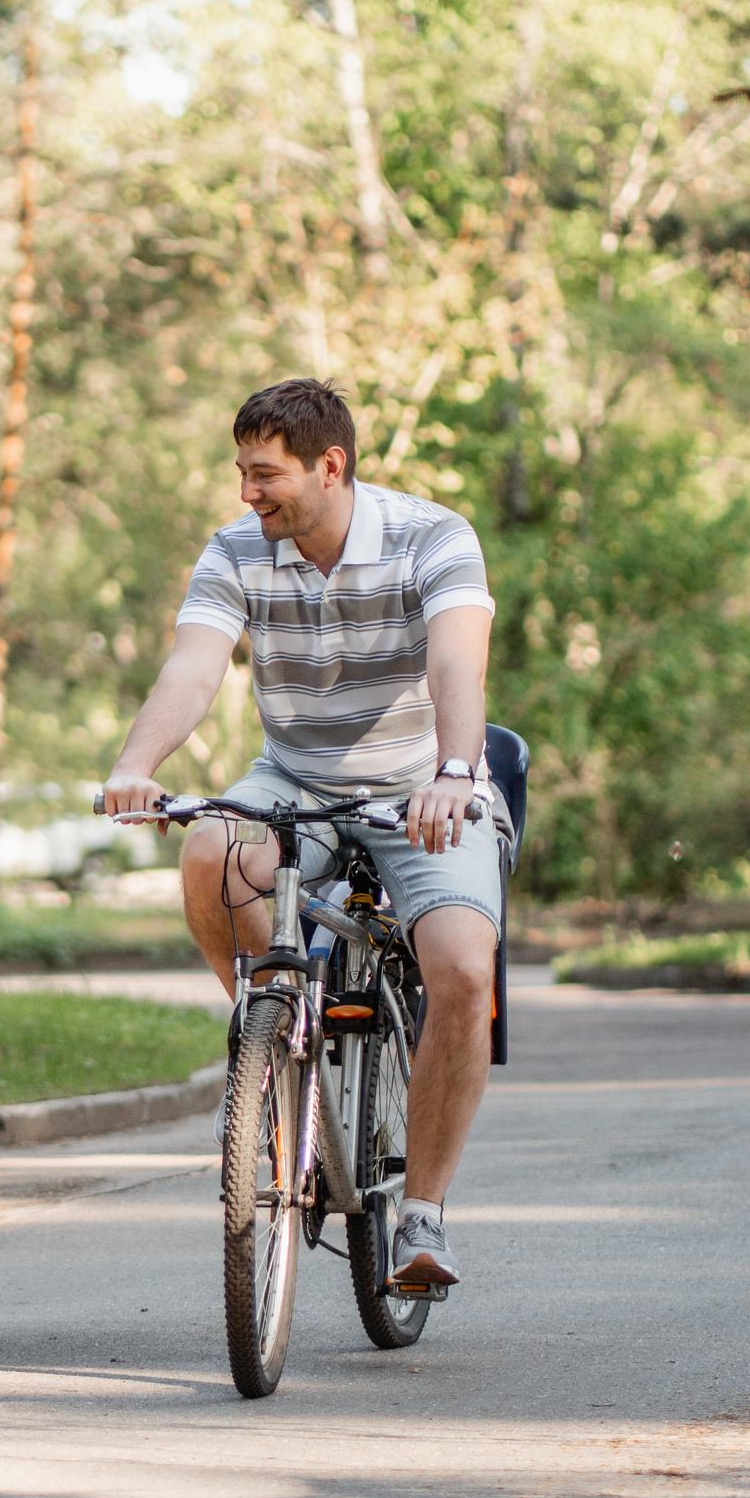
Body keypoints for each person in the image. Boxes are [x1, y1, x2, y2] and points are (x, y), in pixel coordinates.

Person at [101, 379, 501, 1289]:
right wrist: (137, 763)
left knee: (463, 969)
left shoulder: (432, 536)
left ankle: (424, 1214)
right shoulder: (238, 550)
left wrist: (452, 770)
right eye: (241, 472)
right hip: (295, 778)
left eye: (265, 474)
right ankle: (270, 1049)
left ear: (331, 466)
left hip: (420, 784)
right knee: (210, 849)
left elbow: (455, 664)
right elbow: (194, 669)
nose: (248, 493)